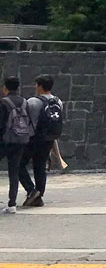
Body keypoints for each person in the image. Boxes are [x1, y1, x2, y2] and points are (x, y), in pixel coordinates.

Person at [18, 75, 61, 208]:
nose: (35, 87)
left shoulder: (33, 102)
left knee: (18, 164)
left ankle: (32, 191)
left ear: (40, 86)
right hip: (49, 138)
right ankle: (38, 195)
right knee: (40, 166)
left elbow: (25, 119)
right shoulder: (58, 102)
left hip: (33, 139)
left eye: (36, 85)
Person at [0, 76, 31, 214]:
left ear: (5, 87)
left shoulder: (3, 102)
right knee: (14, 171)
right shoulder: (25, 102)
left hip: (4, 141)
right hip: (20, 140)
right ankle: (12, 204)